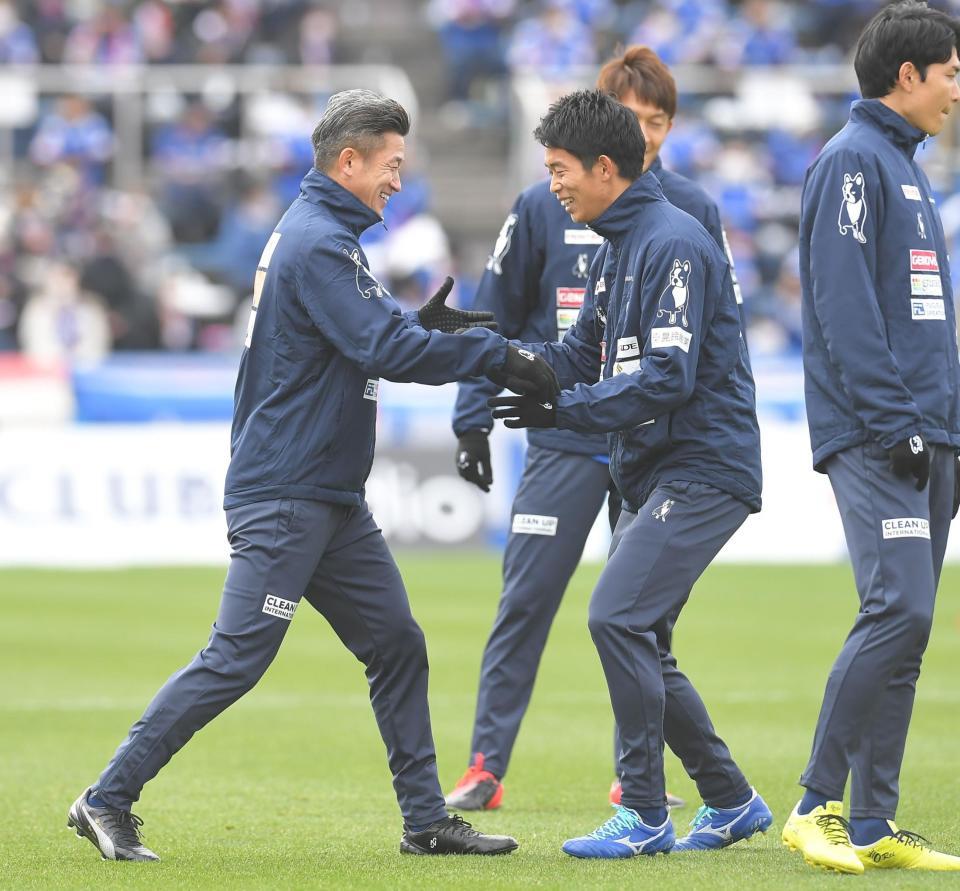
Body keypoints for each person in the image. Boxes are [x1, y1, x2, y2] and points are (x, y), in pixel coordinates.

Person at [65, 89, 561, 863]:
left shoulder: (317, 236)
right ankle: (105, 796)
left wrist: (419, 328)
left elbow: (362, 336)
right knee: (238, 656)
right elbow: (385, 351)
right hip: (288, 491)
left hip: (327, 493)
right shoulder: (319, 241)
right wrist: (500, 356)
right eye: (391, 165)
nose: (399, 180)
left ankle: (426, 819)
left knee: (397, 643)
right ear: (349, 160)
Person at [447, 45, 743, 816]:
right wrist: (477, 377)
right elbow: (548, 333)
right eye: (632, 119)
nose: (645, 136)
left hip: (652, 441)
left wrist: (558, 399)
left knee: (631, 616)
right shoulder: (559, 210)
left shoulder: (680, 224)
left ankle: (639, 788)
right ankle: (487, 763)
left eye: (655, 122)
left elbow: (676, 370)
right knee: (533, 601)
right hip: (573, 432)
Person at [782, 2, 960, 874]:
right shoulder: (851, 161)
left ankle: (875, 819)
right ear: (908, 77)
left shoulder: (903, 166)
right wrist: (896, 422)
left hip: (932, 433)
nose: (957, 91)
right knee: (901, 607)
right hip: (880, 431)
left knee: (909, 631)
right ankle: (814, 804)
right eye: (951, 73)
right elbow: (842, 304)